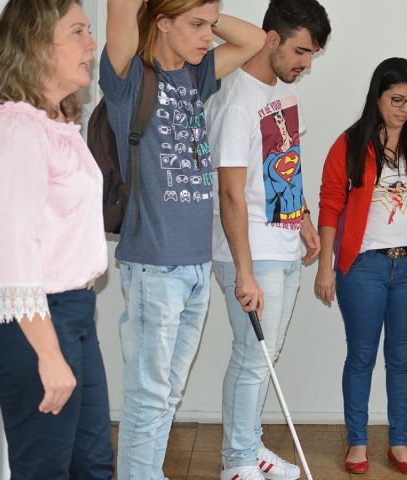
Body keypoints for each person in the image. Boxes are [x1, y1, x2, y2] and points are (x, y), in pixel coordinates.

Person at [99, 1, 266, 478]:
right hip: (155, 265)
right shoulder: (130, 79)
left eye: (210, 27)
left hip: (194, 264)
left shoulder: (196, 77)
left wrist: (204, 10)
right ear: (162, 22)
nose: (208, 37)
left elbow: (255, 40)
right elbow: (121, 7)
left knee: (167, 392)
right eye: (195, 26)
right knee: (149, 395)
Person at [315, 57, 407, 475]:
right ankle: (357, 442)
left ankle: (399, 441)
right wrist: (326, 266)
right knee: (361, 355)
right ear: (377, 95)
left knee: (402, 358)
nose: (404, 108)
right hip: (362, 268)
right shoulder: (351, 143)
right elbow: (330, 204)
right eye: (396, 99)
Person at [207, 0, 331, 478]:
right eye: (300, 50)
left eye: (312, 55)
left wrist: (301, 216)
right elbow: (232, 192)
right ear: (271, 38)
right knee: (253, 356)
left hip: (280, 245)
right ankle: (236, 461)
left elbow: (279, 166)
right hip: (250, 251)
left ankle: (249, 446)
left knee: (264, 356)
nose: (304, 63)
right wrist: (242, 270)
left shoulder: (283, 94)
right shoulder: (235, 97)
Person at [0, 1, 113, 478]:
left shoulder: (55, 125)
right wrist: (48, 354)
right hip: (39, 322)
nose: (92, 45)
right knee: (46, 470)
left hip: (75, 314)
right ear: (39, 44)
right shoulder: (17, 129)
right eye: (79, 33)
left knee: (93, 465)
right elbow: (11, 253)